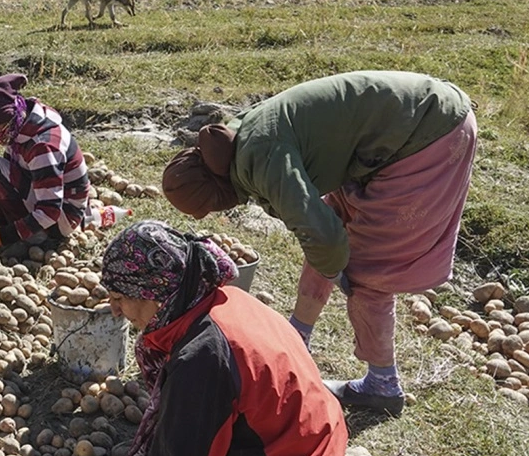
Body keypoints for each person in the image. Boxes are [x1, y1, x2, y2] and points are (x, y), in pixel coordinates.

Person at [0, 220, 347, 456]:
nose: (115, 310)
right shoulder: (222, 297)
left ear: (154, 295)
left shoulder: (202, 362)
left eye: (120, 298)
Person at [161, 70, 477, 416]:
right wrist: (329, 260)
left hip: (428, 131)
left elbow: (325, 240)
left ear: (218, 192)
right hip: (393, 131)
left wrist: (342, 271)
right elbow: (319, 231)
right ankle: (299, 338)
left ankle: (382, 386)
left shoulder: (259, 159)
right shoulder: (232, 139)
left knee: (369, 272)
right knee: (326, 227)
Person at [0, 73, 89, 249]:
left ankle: (35, 237)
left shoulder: (42, 147)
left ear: (11, 118)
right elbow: (13, 169)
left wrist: (0, 237)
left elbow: (50, 211)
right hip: (40, 191)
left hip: (60, 217)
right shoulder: (19, 126)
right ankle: (14, 219)